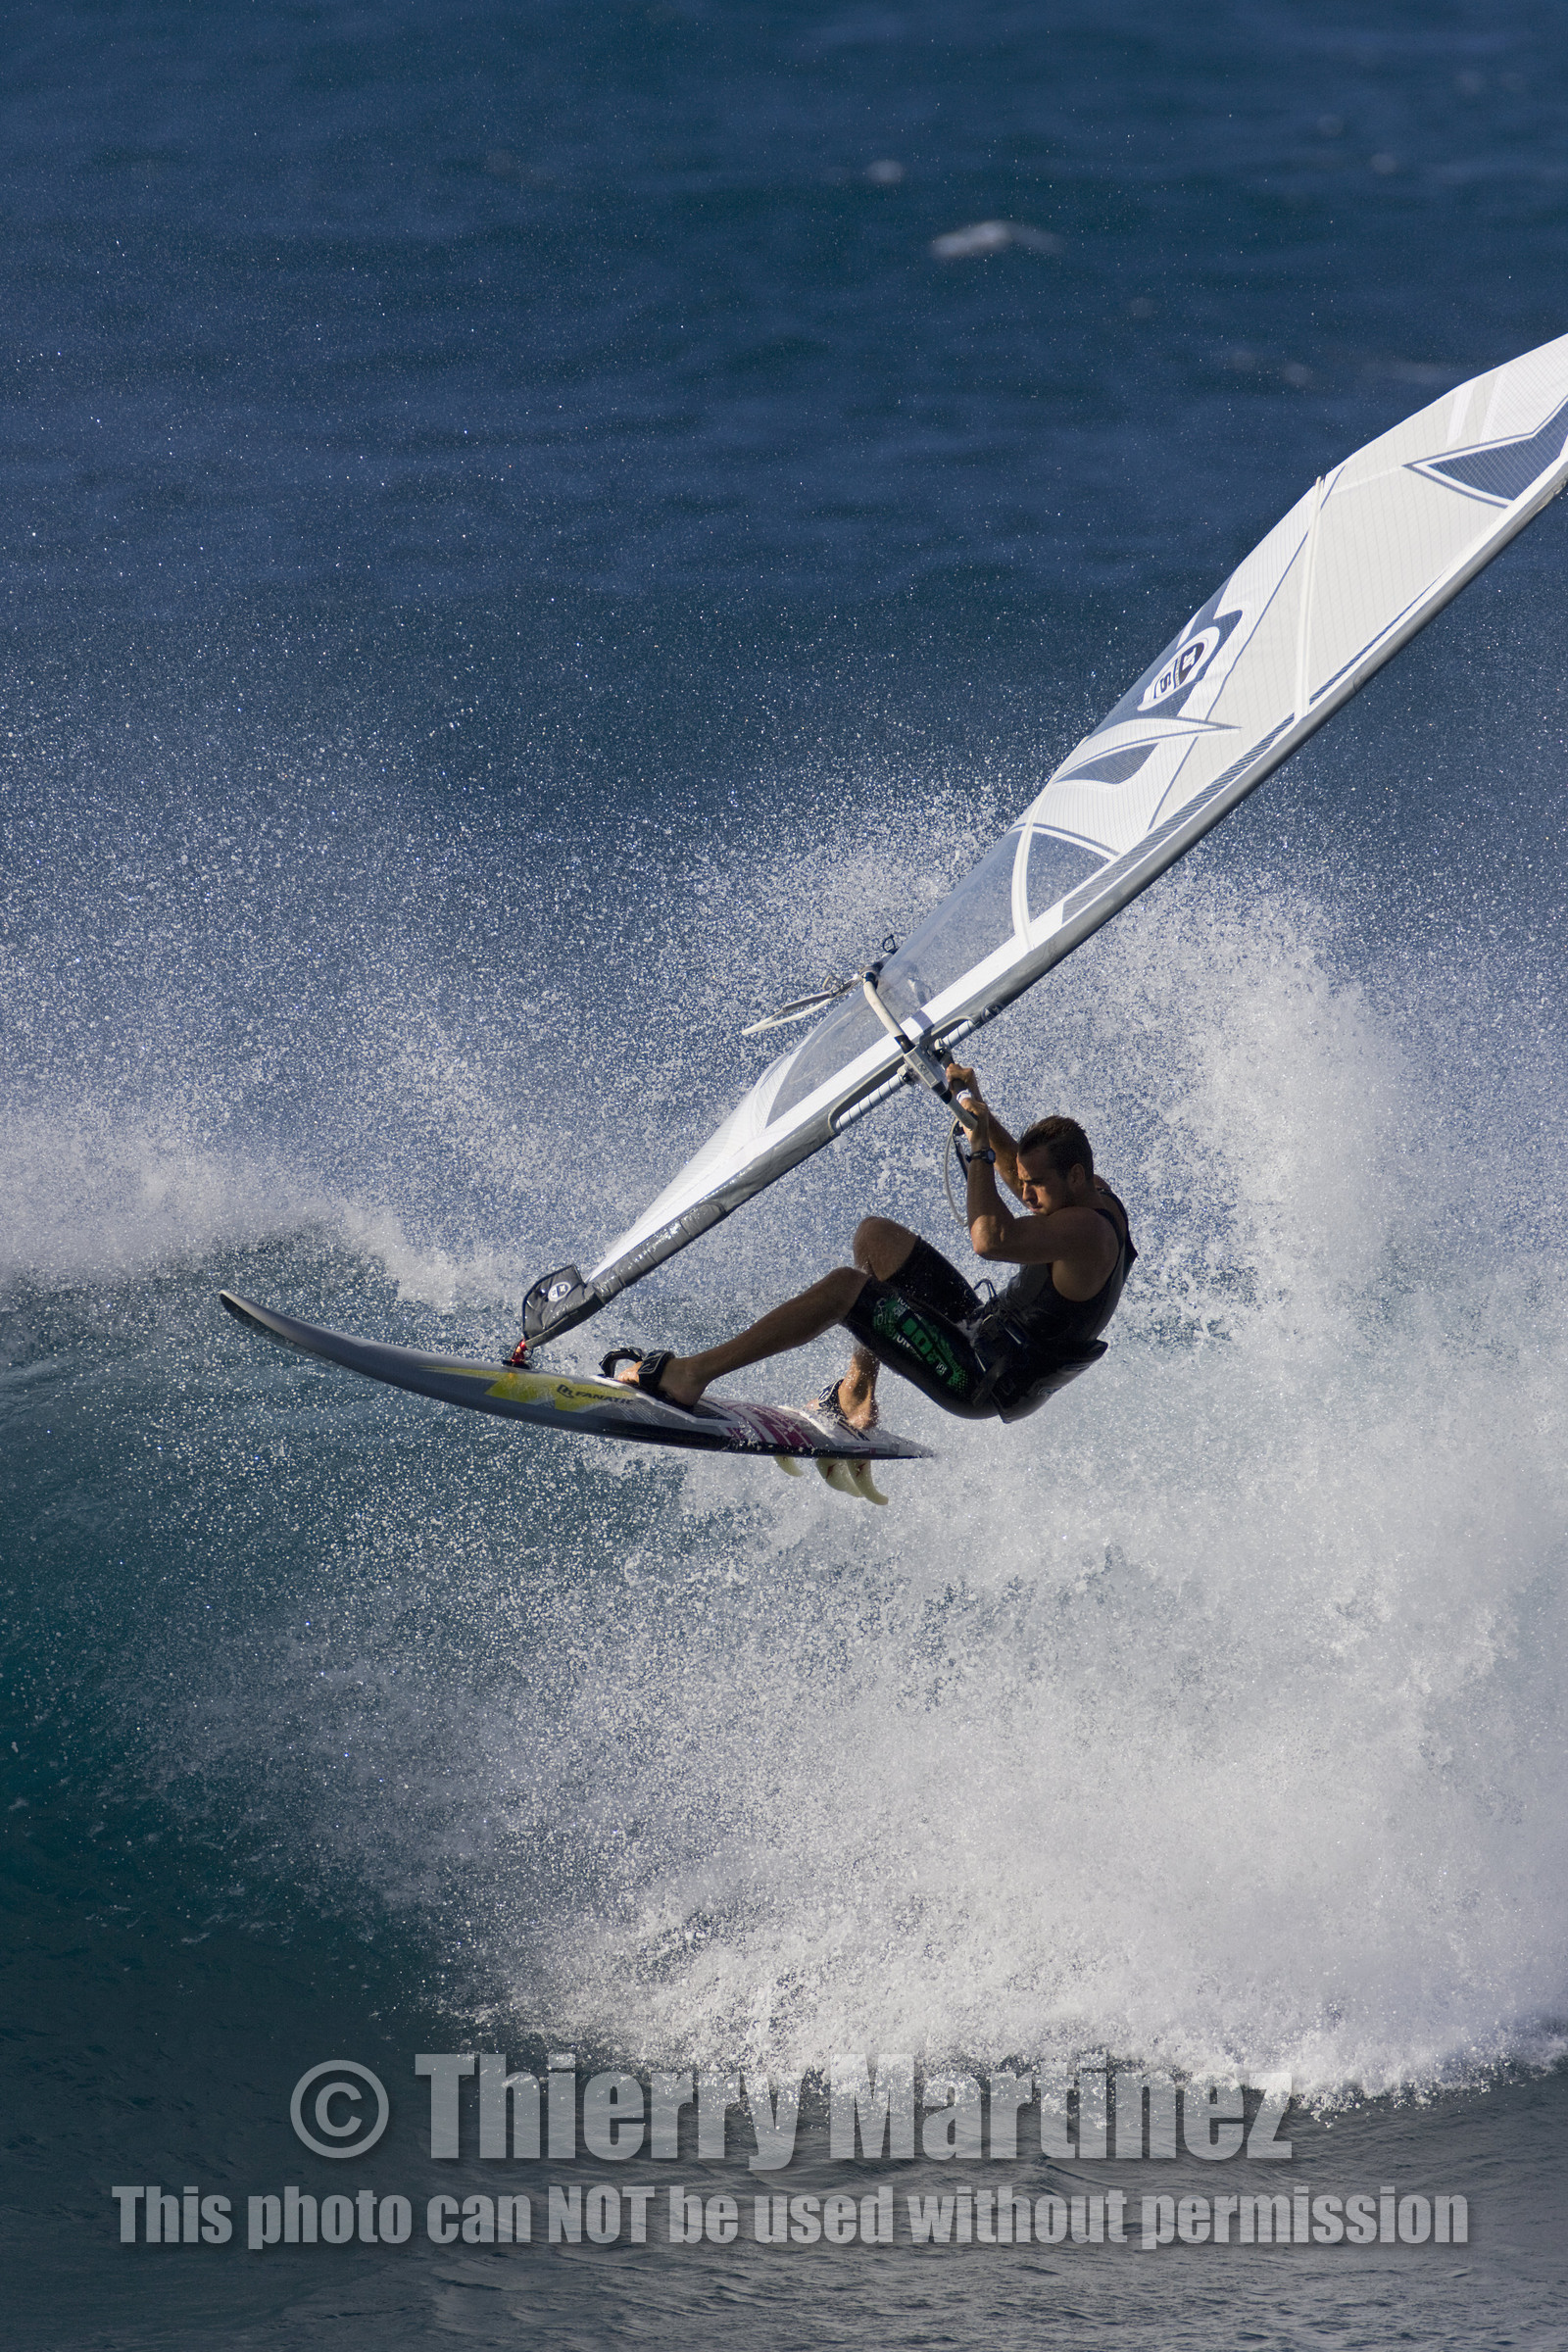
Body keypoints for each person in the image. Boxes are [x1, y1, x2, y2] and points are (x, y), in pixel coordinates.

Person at [610, 1063, 1137, 1430]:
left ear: (1074, 1175)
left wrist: (977, 1153)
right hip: (984, 1329)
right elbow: (1018, 1169)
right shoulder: (1091, 1193)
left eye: (1035, 1187)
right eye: (1024, 1182)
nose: (1024, 1194)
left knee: (846, 1289)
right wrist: (980, 1114)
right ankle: (858, 1393)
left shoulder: (1089, 1233)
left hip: (984, 1377)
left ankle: (690, 1375)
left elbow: (989, 1239)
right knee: (875, 1238)